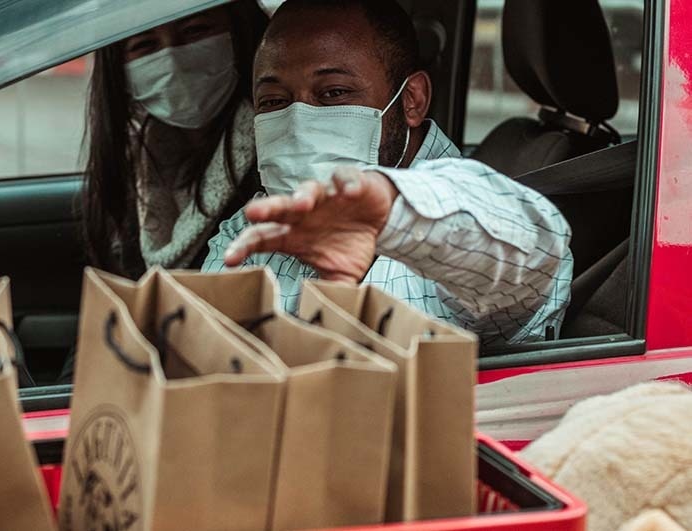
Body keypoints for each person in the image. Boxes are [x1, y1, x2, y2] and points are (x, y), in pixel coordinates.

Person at [202, 0, 574, 346]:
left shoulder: (446, 237)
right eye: (274, 100)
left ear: (412, 100)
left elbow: (533, 252)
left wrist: (396, 213)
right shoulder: (253, 229)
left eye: (334, 93)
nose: (297, 123)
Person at [81, 0, 268, 279]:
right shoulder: (132, 168)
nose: (172, 58)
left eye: (195, 29)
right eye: (145, 44)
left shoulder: (274, 157)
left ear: (238, 29)